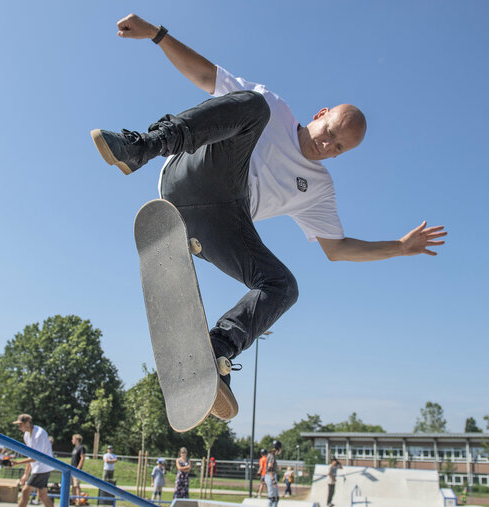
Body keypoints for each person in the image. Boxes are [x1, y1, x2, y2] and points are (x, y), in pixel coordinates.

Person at [90, 13, 447, 419]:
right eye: (329, 132)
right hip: (188, 177)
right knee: (253, 106)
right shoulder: (275, 109)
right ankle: (145, 145)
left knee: (283, 286)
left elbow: (337, 248)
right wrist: (157, 35)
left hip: (219, 223)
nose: (328, 146)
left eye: (339, 149)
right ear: (320, 113)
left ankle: (217, 350)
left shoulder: (319, 187)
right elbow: (206, 75)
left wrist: (399, 248)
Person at [9, 414, 58, 507]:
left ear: (27, 423)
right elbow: (30, 455)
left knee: (25, 491)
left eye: (20, 425)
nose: (19, 428)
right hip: (38, 467)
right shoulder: (26, 435)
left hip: (43, 467)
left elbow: (36, 457)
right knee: (43, 495)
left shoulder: (39, 434)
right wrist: (26, 474)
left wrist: (17, 463)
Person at [264, 440, 282, 507]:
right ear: (278, 448)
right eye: (280, 449)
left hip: (271, 477)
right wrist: (273, 481)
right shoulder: (272, 456)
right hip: (271, 477)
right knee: (272, 498)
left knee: (276, 498)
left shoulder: (272, 455)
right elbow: (269, 469)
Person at [70, 434, 86, 501]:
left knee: (76, 485)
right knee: (73, 485)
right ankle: (73, 500)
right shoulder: (74, 448)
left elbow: (82, 458)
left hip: (76, 469)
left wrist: (78, 468)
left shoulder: (81, 448)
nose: (72, 440)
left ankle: (78, 500)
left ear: (77, 440)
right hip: (72, 468)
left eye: (73, 439)